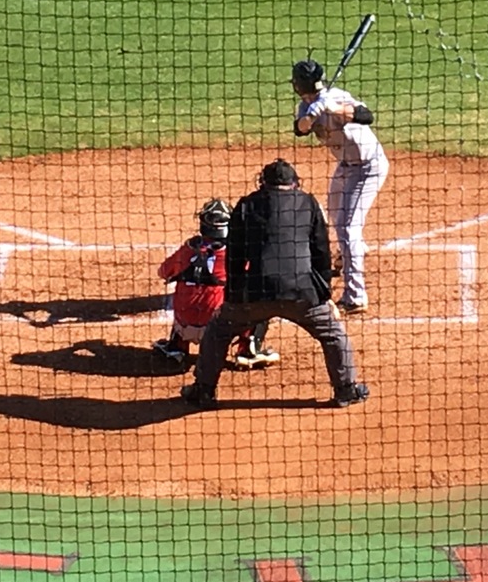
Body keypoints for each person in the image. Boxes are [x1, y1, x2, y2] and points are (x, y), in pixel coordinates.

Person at [180, 159, 369, 410]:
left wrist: (233, 298)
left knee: (218, 332)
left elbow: (236, 256)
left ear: (264, 183)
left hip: (256, 292)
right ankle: (346, 390)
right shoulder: (309, 203)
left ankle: (203, 391)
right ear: (294, 183)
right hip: (303, 294)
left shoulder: (247, 204)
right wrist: (325, 297)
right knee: (334, 335)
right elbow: (321, 254)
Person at [291, 57, 387, 315]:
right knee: (333, 215)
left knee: (347, 227)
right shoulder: (305, 106)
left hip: (369, 168)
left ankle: (356, 296)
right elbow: (299, 130)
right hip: (345, 167)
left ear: (300, 84)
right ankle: (351, 254)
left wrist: (335, 109)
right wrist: (311, 116)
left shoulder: (338, 97)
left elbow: (367, 116)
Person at [153, 199, 280, 371]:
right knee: (260, 296)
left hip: (184, 325)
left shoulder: (188, 248)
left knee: (186, 294)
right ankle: (248, 351)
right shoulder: (236, 252)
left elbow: (163, 272)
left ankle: (177, 346)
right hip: (218, 330)